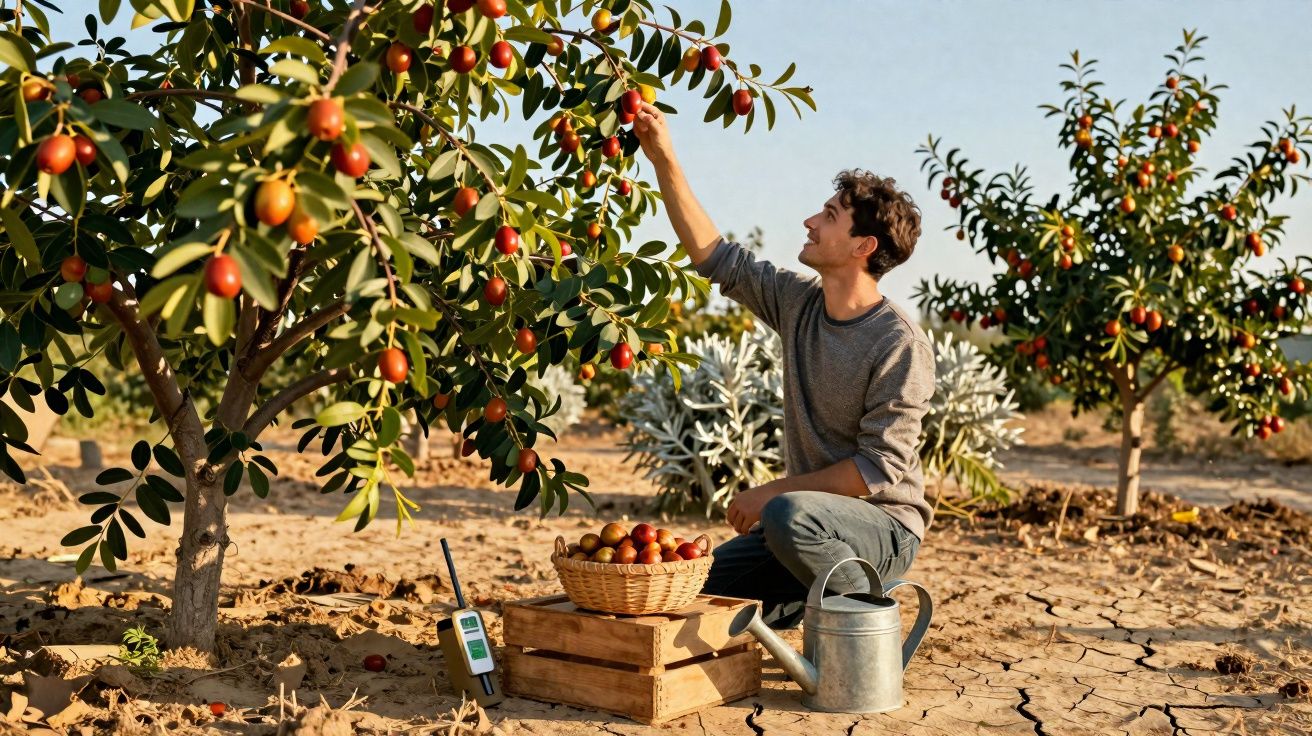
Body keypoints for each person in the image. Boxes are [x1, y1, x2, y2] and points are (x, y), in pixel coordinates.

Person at [632, 101, 935, 629]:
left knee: (787, 514)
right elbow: (716, 257)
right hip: (804, 527)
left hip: (882, 529)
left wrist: (774, 490)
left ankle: (861, 620)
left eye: (829, 216)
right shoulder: (799, 302)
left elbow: (876, 470)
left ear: (863, 245)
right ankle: (800, 595)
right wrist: (664, 160)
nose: (810, 221)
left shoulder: (898, 343)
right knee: (687, 584)